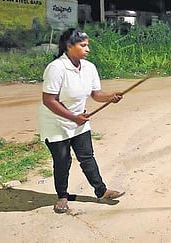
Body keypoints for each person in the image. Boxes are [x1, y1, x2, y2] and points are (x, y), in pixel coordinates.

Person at [39, 28, 125, 214]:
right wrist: (72, 117)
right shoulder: (56, 68)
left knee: (87, 157)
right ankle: (62, 196)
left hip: (80, 121)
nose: (87, 49)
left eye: (87, 46)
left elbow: (96, 94)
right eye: (83, 45)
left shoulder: (89, 67)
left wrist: (110, 96)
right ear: (69, 46)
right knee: (63, 161)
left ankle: (101, 191)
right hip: (57, 123)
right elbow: (48, 100)